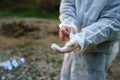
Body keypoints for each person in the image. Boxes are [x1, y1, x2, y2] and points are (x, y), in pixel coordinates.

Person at [58, 0, 120, 80]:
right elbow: (68, 3)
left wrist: (84, 38)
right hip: (73, 43)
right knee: (69, 74)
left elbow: (114, 21)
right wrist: (68, 23)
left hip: (98, 50)